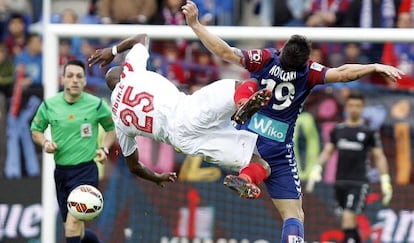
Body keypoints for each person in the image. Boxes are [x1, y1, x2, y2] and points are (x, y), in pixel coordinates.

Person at [182, 1, 404, 242]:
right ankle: (247, 171)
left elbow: (225, 52)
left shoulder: (265, 59)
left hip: (245, 136)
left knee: (251, 114)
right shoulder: (309, 72)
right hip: (278, 146)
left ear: (282, 48)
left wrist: (194, 25)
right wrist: (373, 66)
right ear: (305, 59)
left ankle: (246, 171)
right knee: (294, 214)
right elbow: (343, 73)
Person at [88, 33, 272, 199]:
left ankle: (246, 179)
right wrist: (112, 51)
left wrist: (156, 177)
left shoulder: (118, 119)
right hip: (186, 111)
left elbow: (134, 165)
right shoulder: (130, 73)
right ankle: (242, 104)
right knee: (244, 86)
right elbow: (142, 38)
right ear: (122, 74)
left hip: (183, 141)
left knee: (261, 164)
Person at [30, 60, 173, 243]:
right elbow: (36, 130)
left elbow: (112, 128)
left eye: (79, 76)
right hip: (62, 172)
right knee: (74, 228)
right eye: (70, 76)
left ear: (84, 81)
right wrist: (45, 142)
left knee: (74, 222)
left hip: (86, 171)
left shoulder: (96, 105)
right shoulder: (50, 106)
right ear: (63, 79)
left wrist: (104, 148)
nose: (74, 80)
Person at [307, 92, 393, 243]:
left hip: (359, 182)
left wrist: (385, 179)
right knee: (347, 223)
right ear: (346, 107)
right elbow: (328, 150)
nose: (354, 109)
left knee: (348, 217)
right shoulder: (338, 130)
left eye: (358, 106)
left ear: (362, 108)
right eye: (351, 105)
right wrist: (317, 169)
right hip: (339, 181)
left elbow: (379, 156)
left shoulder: (369, 132)